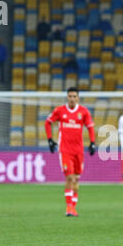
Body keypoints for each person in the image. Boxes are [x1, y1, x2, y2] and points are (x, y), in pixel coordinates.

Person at [44, 87, 96, 217]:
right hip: (65, 150)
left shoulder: (83, 112)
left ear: (78, 98)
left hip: (79, 150)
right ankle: (69, 207)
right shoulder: (60, 111)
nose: (72, 98)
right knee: (69, 177)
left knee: (77, 179)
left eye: (74, 96)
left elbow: (90, 127)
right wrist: (50, 139)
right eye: (70, 96)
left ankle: (74, 207)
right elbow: (47, 122)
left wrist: (92, 142)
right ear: (67, 97)